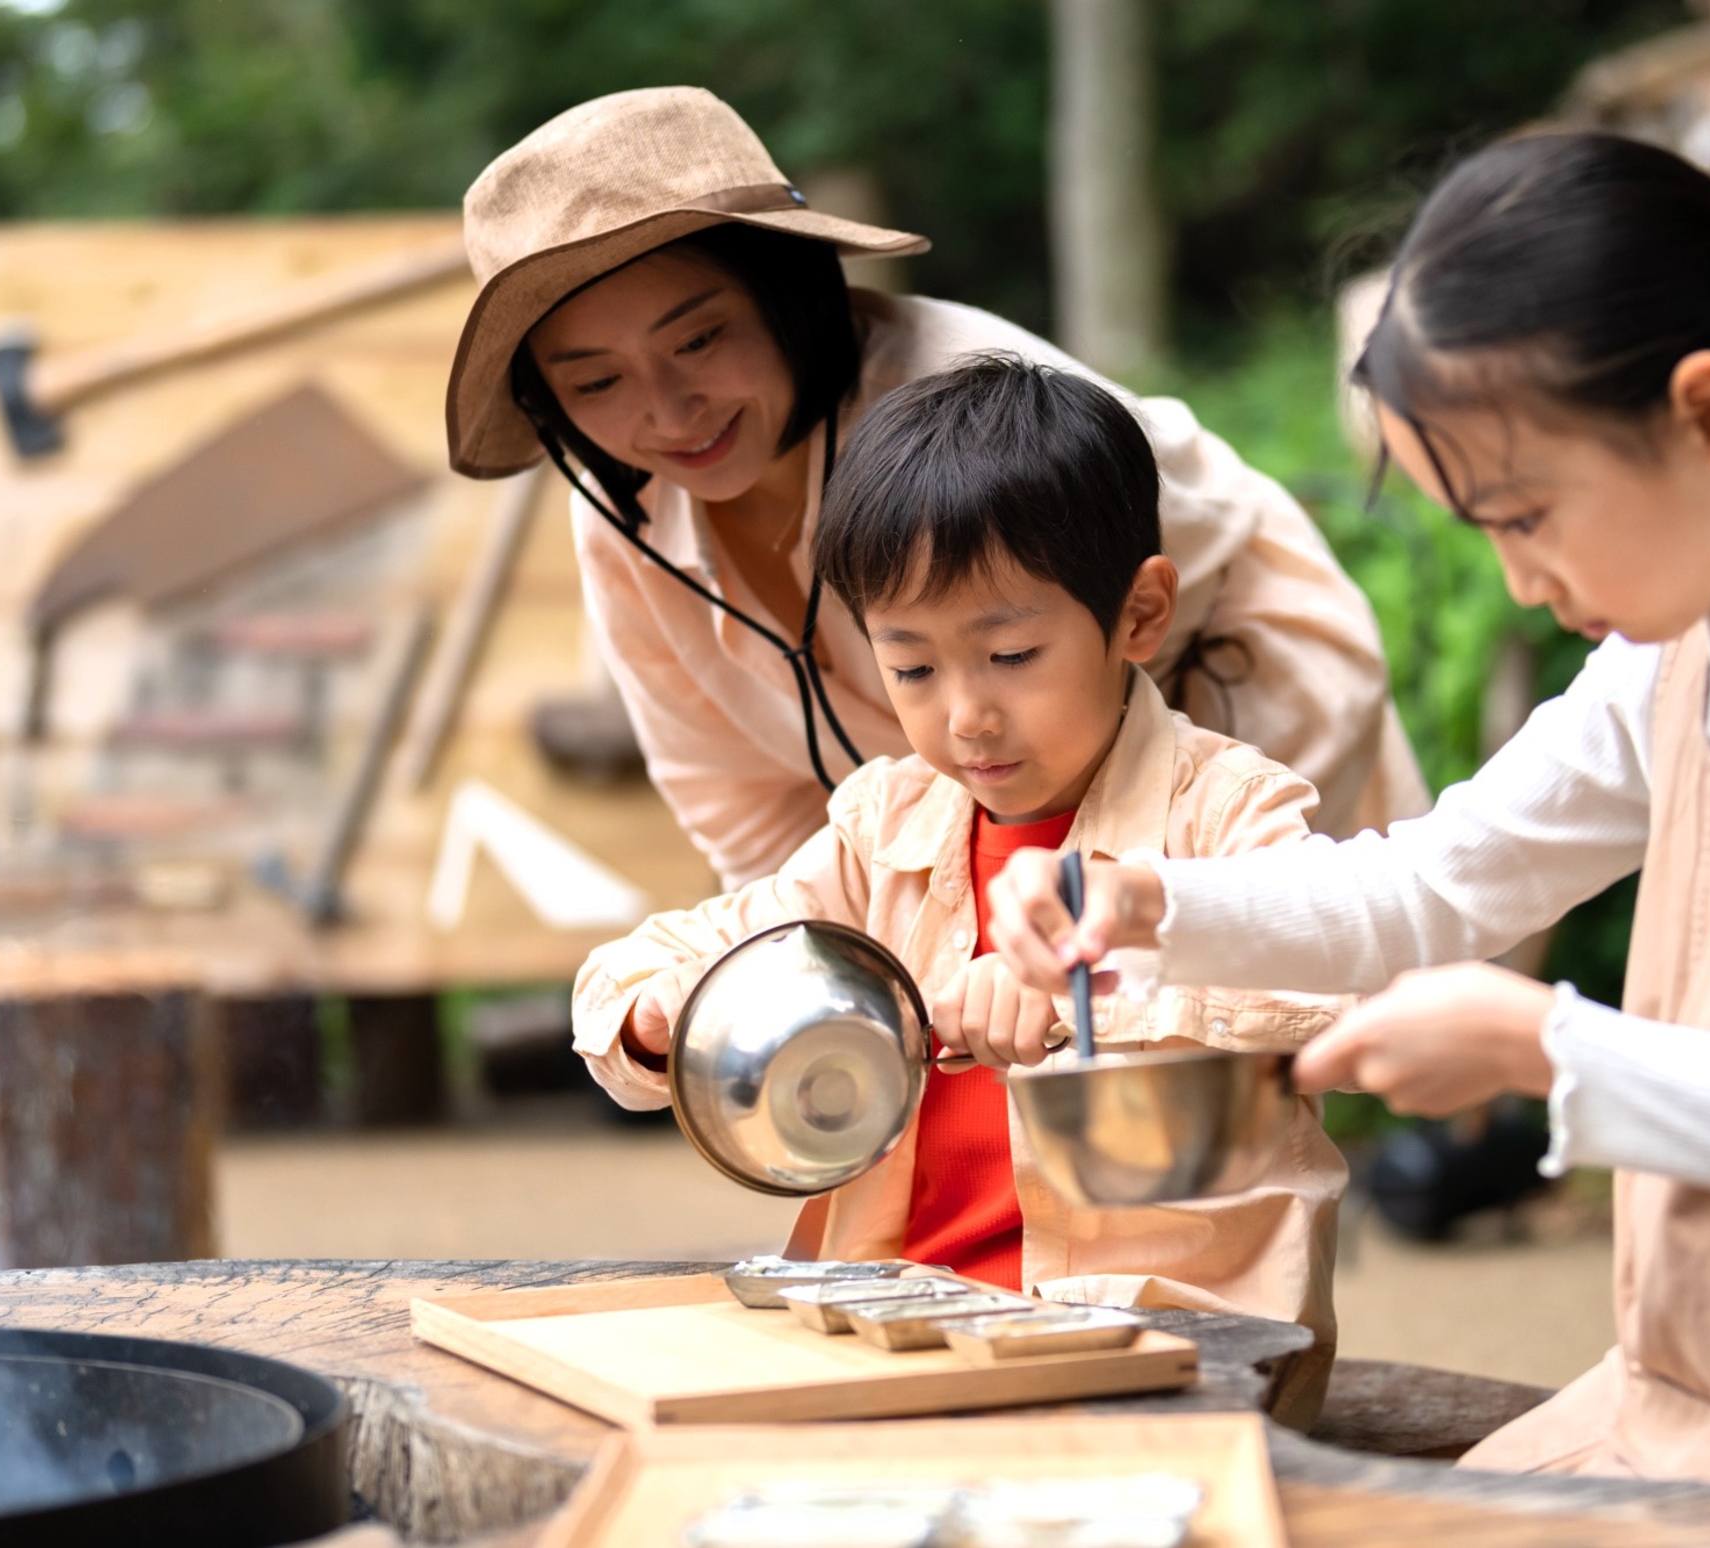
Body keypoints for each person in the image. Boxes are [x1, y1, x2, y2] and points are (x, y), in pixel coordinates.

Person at [986, 133, 1710, 1546]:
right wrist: (1144, 900)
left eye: (1526, 515)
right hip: (1678, 1404)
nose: (1519, 579)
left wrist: (1541, 1046)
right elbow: (1436, 882)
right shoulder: (1690, 630)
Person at [569, 354, 1347, 1425]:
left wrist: (1097, 979)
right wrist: (677, 1012)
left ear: (1140, 614)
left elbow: (1342, 977)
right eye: (914, 668)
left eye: (1012, 653)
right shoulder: (884, 824)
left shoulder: (1226, 813)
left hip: (1159, 1344)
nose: (966, 716)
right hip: (895, 1327)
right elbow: (645, 968)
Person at [446, 86, 1426, 889]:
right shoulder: (625, 520)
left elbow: (1220, 580)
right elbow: (745, 813)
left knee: (1261, 1078)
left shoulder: (968, 404)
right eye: (596, 381)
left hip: (1241, 735)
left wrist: (1165, 874)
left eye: (700, 339)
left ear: (789, 293)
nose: (666, 412)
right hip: (990, 844)